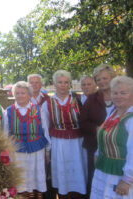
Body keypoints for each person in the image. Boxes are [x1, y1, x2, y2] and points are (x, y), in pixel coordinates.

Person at [41, 70, 87, 199]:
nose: (63, 85)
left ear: (70, 84)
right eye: (60, 82)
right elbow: (45, 127)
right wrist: (48, 149)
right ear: (54, 84)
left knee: (78, 170)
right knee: (63, 174)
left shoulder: (79, 99)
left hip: (78, 143)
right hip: (59, 144)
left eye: (66, 82)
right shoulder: (48, 103)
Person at [5, 81, 50, 199]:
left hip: (36, 149)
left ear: (29, 95)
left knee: (35, 177)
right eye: (17, 93)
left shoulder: (38, 109)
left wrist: (48, 149)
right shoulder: (9, 111)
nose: (20, 95)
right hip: (17, 151)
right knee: (21, 179)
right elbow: (5, 132)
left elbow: (45, 128)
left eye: (23, 93)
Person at [90, 76, 133, 199]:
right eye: (115, 93)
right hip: (104, 169)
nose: (118, 96)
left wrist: (127, 180)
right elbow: (104, 136)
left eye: (123, 93)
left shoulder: (131, 119)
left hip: (121, 174)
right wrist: (98, 154)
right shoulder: (112, 112)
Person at [79, 64, 116, 196]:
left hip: (118, 150)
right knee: (95, 181)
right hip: (95, 147)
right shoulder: (91, 99)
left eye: (105, 78)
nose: (102, 82)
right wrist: (97, 129)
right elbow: (82, 122)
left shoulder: (122, 95)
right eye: (98, 79)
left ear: (112, 77)